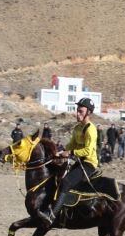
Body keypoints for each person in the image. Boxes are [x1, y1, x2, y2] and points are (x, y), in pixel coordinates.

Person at [37, 97, 99, 226]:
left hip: (88, 164)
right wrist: (60, 152)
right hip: (78, 162)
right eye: (77, 110)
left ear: (89, 113)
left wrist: (70, 153)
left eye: (80, 111)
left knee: (66, 182)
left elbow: (87, 151)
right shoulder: (77, 128)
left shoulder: (91, 129)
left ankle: (52, 215)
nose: (77, 113)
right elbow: (71, 145)